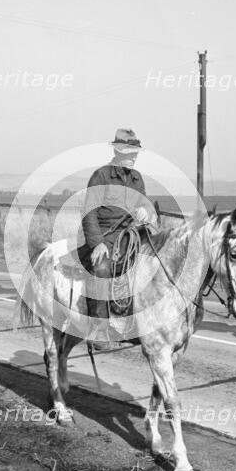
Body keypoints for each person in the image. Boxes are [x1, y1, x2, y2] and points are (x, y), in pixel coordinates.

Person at [81, 128, 155, 350]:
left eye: (136, 152)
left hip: (130, 236)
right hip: (104, 236)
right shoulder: (101, 175)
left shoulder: (136, 178)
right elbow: (89, 212)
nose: (134, 156)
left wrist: (146, 212)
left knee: (149, 266)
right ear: (118, 151)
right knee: (102, 269)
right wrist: (97, 243)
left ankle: (137, 323)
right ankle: (100, 328)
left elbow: (144, 204)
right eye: (130, 152)